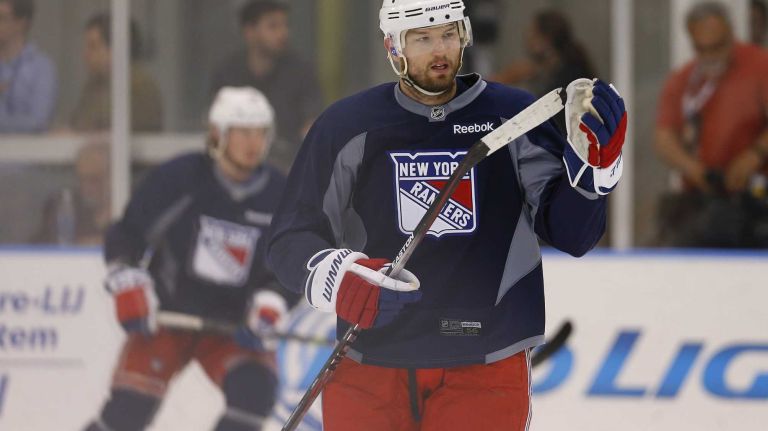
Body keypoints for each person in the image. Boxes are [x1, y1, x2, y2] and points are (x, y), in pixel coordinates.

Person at [266, 1, 627, 430]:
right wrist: (339, 276)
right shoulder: (348, 125)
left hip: (485, 361)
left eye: (449, 34)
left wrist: (593, 178)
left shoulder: (513, 117)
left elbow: (573, 235)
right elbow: (290, 237)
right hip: (371, 361)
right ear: (393, 47)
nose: (440, 50)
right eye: (422, 38)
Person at [85, 87, 293, 431]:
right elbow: (127, 234)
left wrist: (272, 302)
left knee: (255, 394)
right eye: (242, 132)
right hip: (167, 318)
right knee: (127, 411)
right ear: (217, 133)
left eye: (260, 132)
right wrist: (127, 280)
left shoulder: (280, 194)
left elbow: (292, 265)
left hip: (234, 327)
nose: (253, 142)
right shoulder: (180, 178)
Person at [655, 2, 768, 247]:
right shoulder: (684, 79)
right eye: (702, 49)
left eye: (718, 46)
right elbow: (664, 137)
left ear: (730, 34)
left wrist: (754, 155)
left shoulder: (760, 66)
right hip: (704, 197)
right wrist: (695, 170)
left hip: (757, 197)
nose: (711, 56)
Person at [209, 0, 322, 174]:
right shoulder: (228, 74)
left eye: (285, 25)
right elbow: (216, 130)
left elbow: (312, 126)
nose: (283, 33)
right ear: (249, 32)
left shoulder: (300, 72)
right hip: (236, 168)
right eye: (273, 26)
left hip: (290, 168)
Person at [492, 9, 597, 133]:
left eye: (532, 36)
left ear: (545, 40)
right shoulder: (557, 71)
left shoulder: (567, 79)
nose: (527, 42)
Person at [70, 12, 163, 132]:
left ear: (116, 49)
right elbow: (77, 124)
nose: (85, 54)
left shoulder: (141, 87)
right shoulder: (93, 85)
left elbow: (118, 135)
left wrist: (77, 134)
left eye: (93, 46)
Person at [31, 141, 110, 245]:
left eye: (94, 180)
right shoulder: (64, 208)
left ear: (111, 178)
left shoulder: (130, 214)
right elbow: (35, 248)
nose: (87, 188)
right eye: (82, 179)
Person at [0, 0, 56, 132]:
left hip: (30, 150)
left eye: (1, 18)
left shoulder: (42, 68)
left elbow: (38, 121)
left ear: (21, 23)